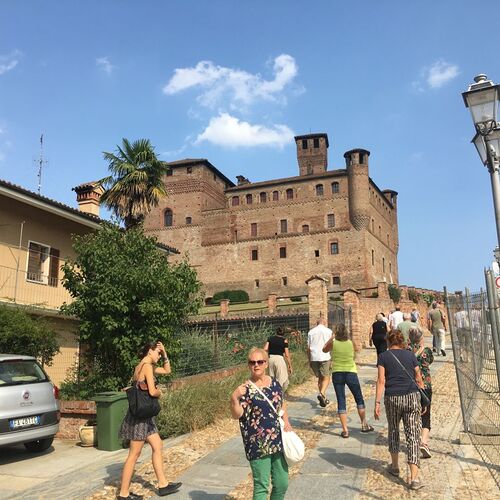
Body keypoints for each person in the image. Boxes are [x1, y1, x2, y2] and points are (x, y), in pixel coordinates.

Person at [118, 341, 181, 499]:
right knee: (134, 454)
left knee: (158, 445)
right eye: (158, 353)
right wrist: (161, 392)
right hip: (141, 417)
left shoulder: (144, 366)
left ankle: (163, 485)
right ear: (150, 352)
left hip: (146, 416)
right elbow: (152, 392)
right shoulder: (146, 366)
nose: (159, 356)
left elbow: (167, 370)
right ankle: (123, 494)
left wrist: (165, 353)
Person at [230, 348, 292, 500]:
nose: (256, 365)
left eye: (260, 362)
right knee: (262, 486)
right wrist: (234, 398)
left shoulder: (275, 383)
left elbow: (281, 404)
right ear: (248, 365)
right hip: (257, 444)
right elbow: (237, 414)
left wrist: (287, 422)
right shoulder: (245, 389)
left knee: (282, 483)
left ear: (266, 364)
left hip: (278, 440)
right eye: (252, 362)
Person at [374, 330, 425, 490]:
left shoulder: (383, 356)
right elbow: (418, 378)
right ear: (402, 341)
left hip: (393, 397)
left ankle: (395, 467)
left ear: (388, 342)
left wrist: (376, 403)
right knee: (413, 436)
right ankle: (414, 478)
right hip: (411, 396)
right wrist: (423, 400)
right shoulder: (410, 355)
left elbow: (381, 381)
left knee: (394, 430)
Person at [323, 324, 374, 438]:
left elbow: (324, 349)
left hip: (337, 372)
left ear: (336, 333)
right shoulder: (350, 342)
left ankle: (345, 430)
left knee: (341, 400)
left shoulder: (334, 343)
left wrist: (331, 338)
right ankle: (364, 424)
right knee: (359, 398)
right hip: (351, 371)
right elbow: (356, 350)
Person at [408, 327, 434, 459]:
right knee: (426, 413)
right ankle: (424, 442)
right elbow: (430, 361)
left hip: (411, 386)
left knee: (413, 414)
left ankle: (413, 440)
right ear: (421, 338)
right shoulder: (426, 351)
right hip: (426, 386)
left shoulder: (406, 351)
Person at [307, 317, 333, 407]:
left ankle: (323, 398)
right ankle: (321, 393)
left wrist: (309, 359)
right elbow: (331, 345)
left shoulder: (311, 332)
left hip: (314, 357)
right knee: (326, 377)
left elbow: (308, 347)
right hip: (324, 356)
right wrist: (332, 358)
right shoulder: (328, 331)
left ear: (317, 323)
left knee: (320, 378)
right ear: (324, 323)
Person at [264, 327, 293, 392]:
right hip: (279, 359)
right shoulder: (284, 340)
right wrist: (290, 365)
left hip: (270, 359)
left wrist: (265, 359)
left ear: (276, 332)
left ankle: (272, 393)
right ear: (283, 333)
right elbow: (287, 354)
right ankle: (279, 393)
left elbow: (265, 348)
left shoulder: (270, 338)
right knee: (282, 378)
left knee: (271, 378)